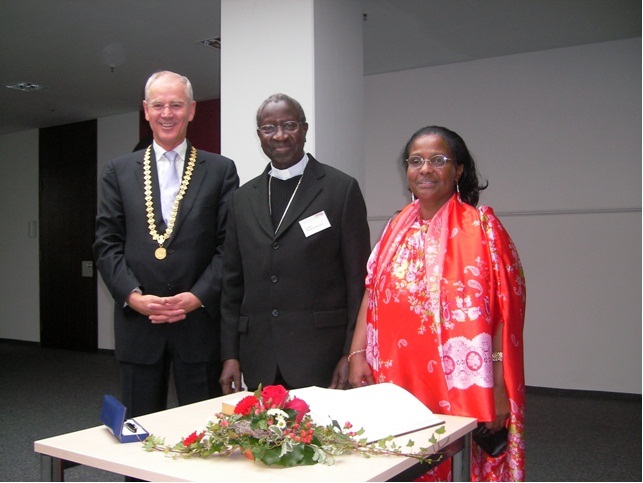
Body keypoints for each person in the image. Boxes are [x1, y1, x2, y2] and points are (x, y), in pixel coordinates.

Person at [348, 126, 526, 481]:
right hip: (395, 376)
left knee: (451, 464)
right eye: (416, 161)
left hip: (459, 381)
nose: (425, 169)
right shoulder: (395, 226)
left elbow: (506, 312)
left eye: (438, 160)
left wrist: (498, 386)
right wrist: (357, 355)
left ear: (458, 170)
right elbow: (373, 291)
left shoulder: (483, 228)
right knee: (399, 462)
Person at [93, 71, 239, 418]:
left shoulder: (220, 170)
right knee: (138, 432)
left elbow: (228, 246)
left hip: (199, 324)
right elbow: (106, 243)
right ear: (146, 110)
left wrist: (198, 296)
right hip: (139, 325)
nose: (167, 113)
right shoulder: (119, 171)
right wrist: (133, 296)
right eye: (158, 105)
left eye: (176, 104)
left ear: (191, 110)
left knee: (203, 432)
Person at [219, 93, 370, 393]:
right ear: (260, 136)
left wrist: (351, 353)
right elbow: (232, 285)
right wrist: (230, 355)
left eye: (289, 125)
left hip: (322, 356)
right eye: (269, 128)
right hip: (259, 354)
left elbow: (358, 282)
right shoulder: (241, 199)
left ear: (304, 129)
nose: (280, 135)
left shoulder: (340, 189)